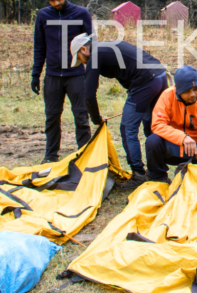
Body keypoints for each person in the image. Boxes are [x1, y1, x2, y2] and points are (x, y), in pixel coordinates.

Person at [69, 33, 169, 186]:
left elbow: (88, 94)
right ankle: (159, 174)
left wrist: (96, 119)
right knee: (152, 127)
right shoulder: (106, 48)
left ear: (83, 49)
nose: (82, 63)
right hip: (160, 76)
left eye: (79, 59)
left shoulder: (96, 55)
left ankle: (139, 174)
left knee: (127, 128)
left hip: (146, 82)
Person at [31, 0, 93, 163]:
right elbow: (39, 46)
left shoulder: (81, 14)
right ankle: (50, 156)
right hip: (53, 76)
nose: (56, 3)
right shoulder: (42, 15)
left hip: (76, 75)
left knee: (81, 117)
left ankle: (85, 155)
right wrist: (36, 74)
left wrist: (91, 74)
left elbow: (91, 46)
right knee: (51, 117)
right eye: (52, 0)